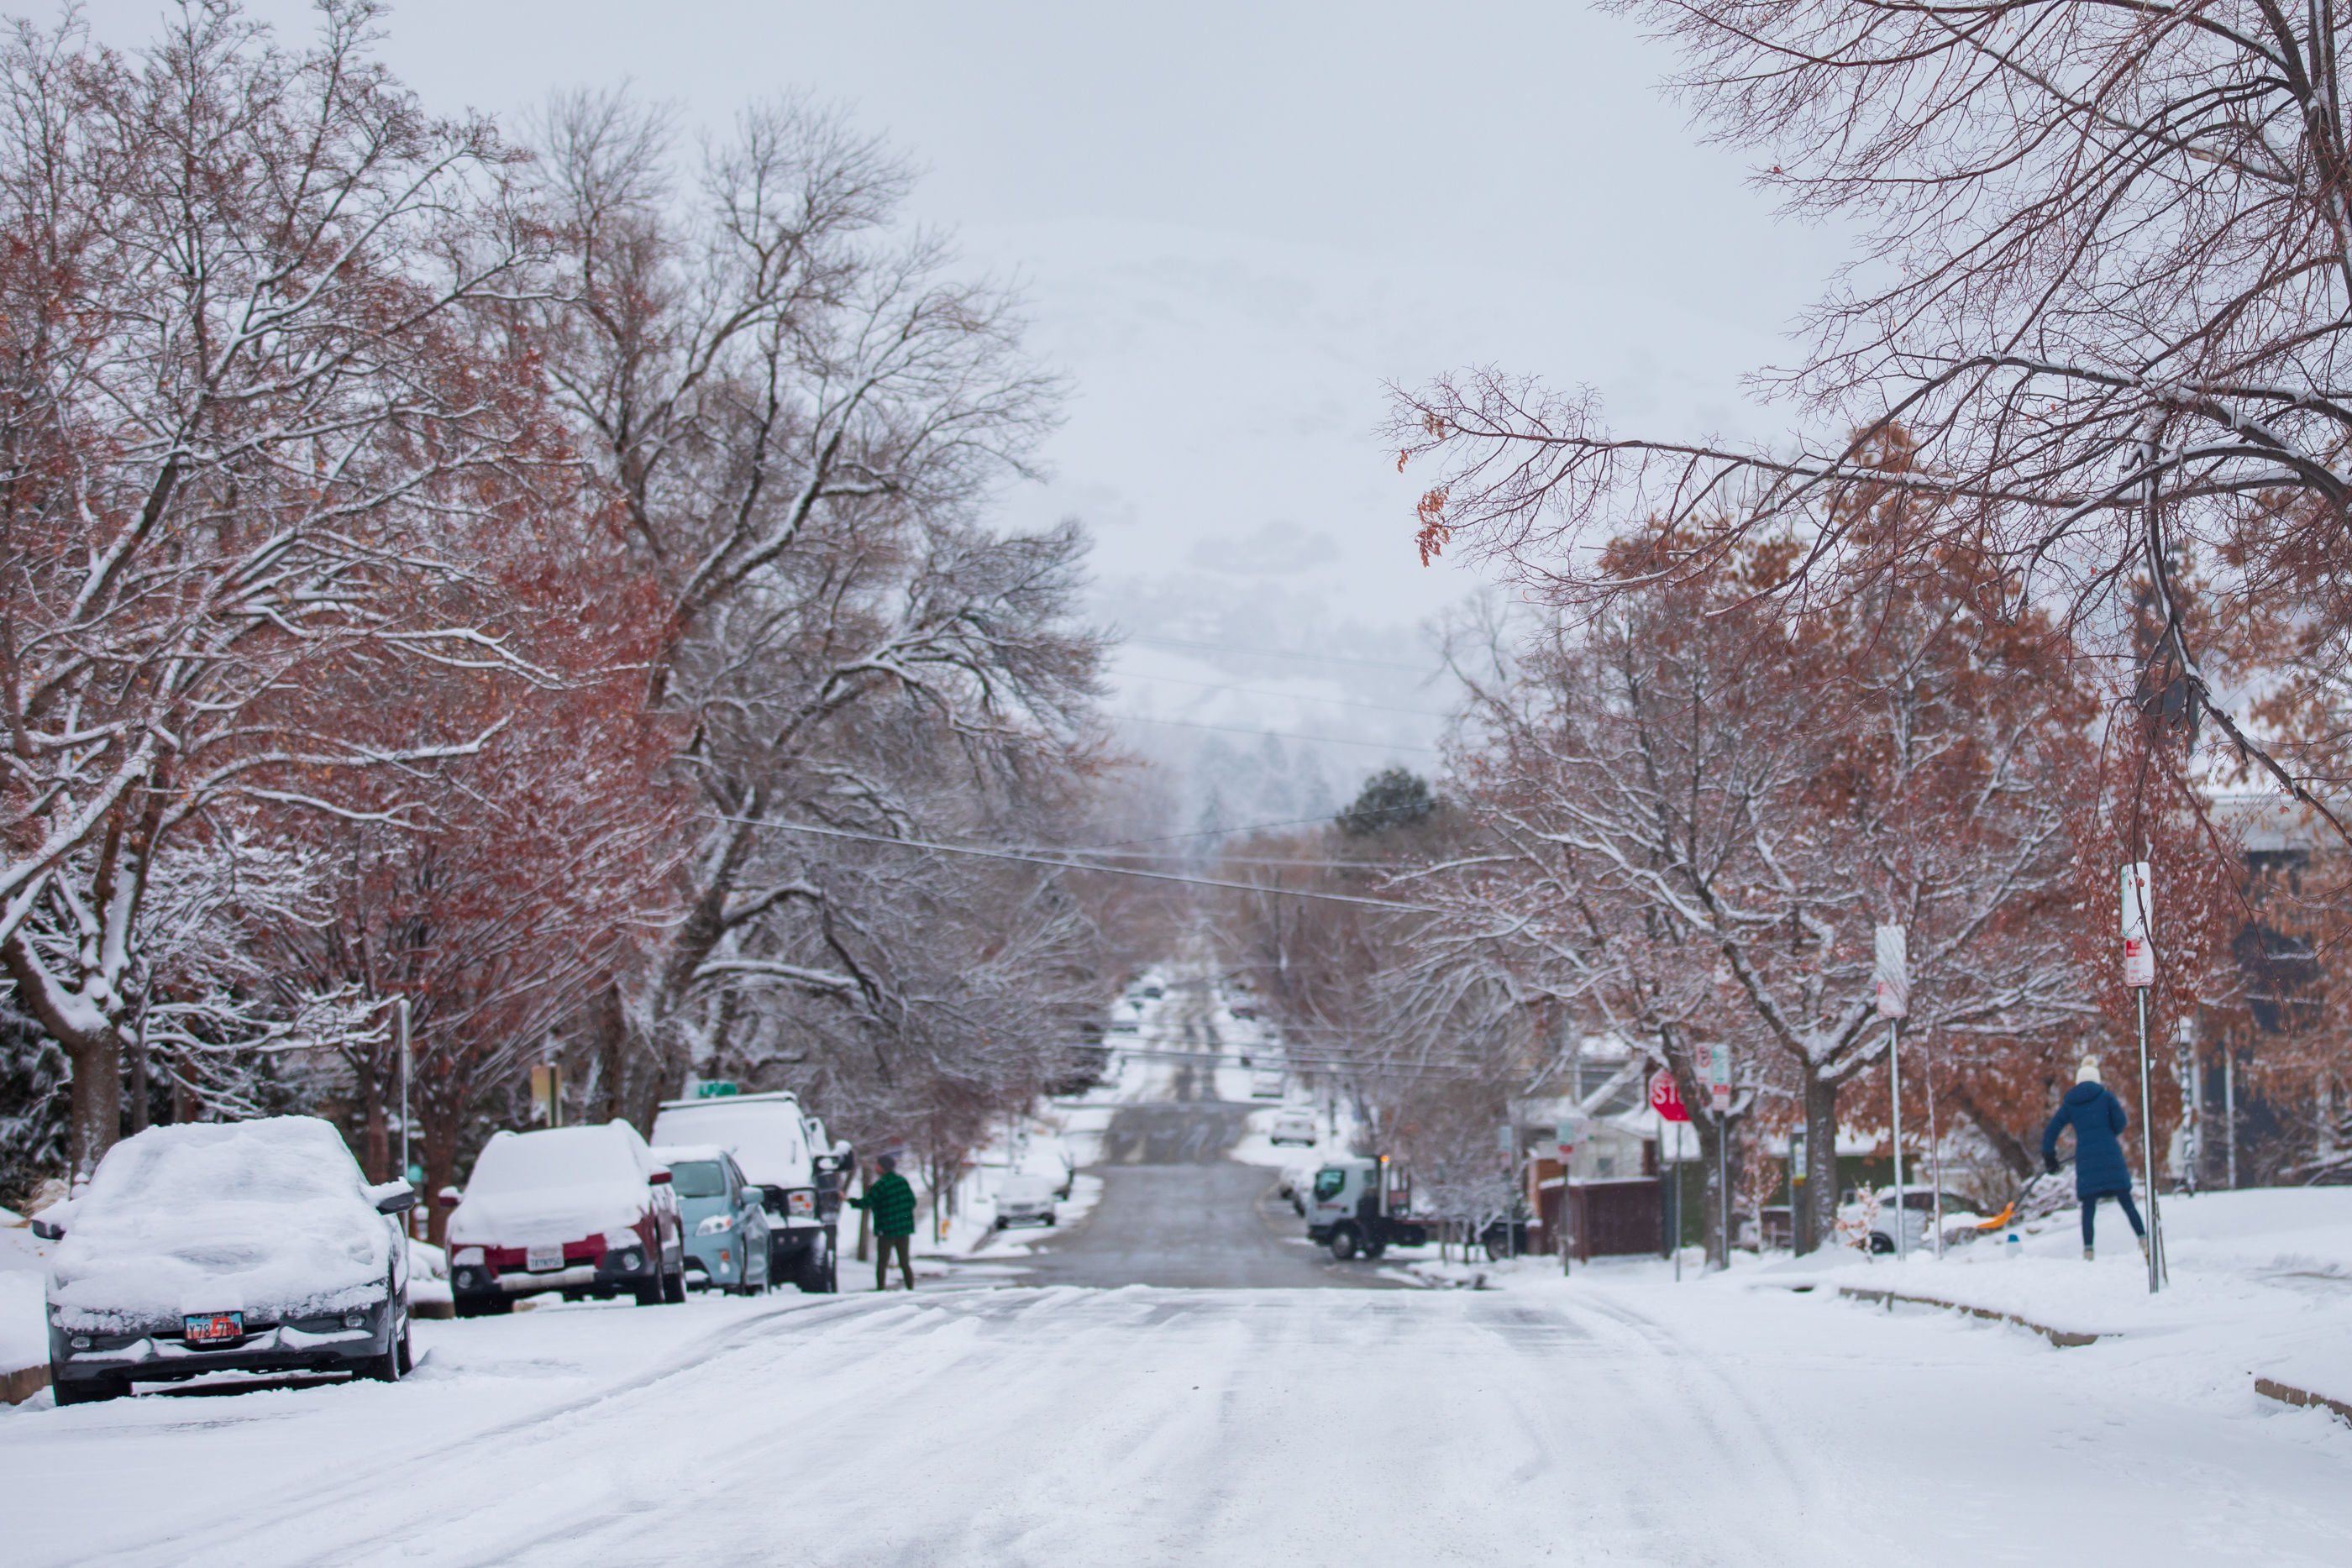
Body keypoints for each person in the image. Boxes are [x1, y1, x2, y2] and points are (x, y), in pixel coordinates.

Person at [2041, 1057, 2147, 1261]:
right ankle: (2144, 1242)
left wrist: (2050, 1158)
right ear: (2097, 1079)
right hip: (2110, 1156)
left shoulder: (2070, 1104)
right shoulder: (2106, 1097)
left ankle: (2088, 1252)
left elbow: (2050, 1132)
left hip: (2086, 1159)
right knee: (2127, 1202)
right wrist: (2108, 1134)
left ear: (2078, 1081)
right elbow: (2121, 1122)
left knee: (2088, 1207)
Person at [849, 1153, 917, 1291]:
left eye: (877, 1165)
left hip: (887, 1230)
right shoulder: (902, 1182)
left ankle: (881, 1289)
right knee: (905, 1262)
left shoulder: (880, 1186)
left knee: (882, 1262)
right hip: (903, 1229)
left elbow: (866, 1202)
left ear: (883, 1167)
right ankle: (910, 1289)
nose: (875, 1166)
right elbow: (912, 1202)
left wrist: (849, 1200)